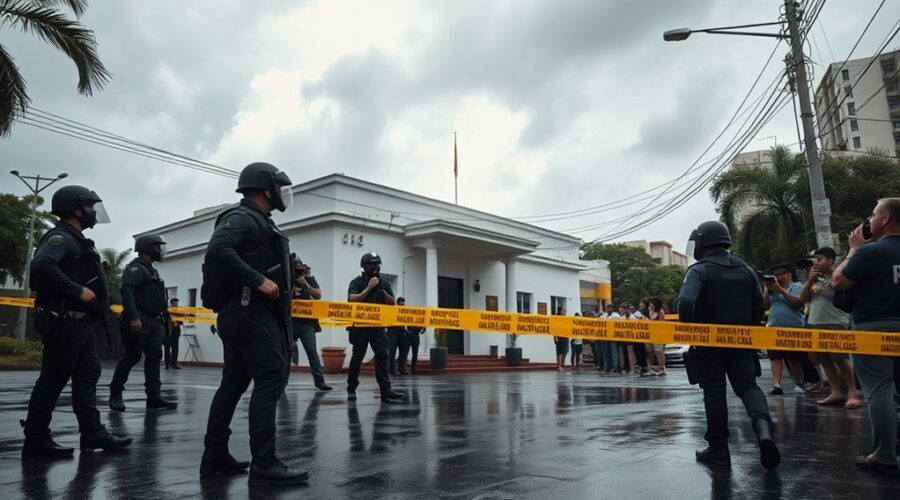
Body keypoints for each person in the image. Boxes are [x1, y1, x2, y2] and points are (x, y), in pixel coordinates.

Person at [200, 162, 308, 486]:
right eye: (279, 187)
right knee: (269, 381)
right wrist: (257, 279)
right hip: (252, 315)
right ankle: (264, 464)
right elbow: (218, 248)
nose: (283, 194)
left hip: (245, 315)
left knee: (233, 384)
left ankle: (214, 456)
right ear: (266, 188)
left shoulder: (259, 221)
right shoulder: (244, 217)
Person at [21, 185, 132, 458]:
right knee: (53, 379)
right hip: (66, 321)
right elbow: (41, 266)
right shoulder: (61, 238)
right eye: (91, 207)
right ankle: (36, 438)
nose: (94, 213)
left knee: (87, 377)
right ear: (76, 208)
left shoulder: (76, 239)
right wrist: (78, 290)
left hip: (79, 324)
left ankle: (92, 433)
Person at [678, 220, 780, 470]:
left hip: (710, 344)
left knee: (714, 391)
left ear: (702, 242)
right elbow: (760, 306)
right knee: (748, 387)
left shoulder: (699, 270)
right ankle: (763, 430)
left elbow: (685, 303)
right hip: (742, 341)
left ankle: (719, 449)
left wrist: (692, 330)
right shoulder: (746, 269)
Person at [833, 198, 900, 476]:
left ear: (885, 219)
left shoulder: (871, 251)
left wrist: (852, 250)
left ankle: (885, 455)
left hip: (874, 329)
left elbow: (839, 281)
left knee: (880, 391)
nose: (869, 220)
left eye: (873, 214)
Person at [109, 234, 178, 412]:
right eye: (157, 246)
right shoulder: (136, 269)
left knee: (155, 357)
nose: (160, 250)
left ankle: (153, 397)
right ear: (148, 248)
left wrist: (164, 320)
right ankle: (115, 393)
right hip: (139, 318)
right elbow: (127, 292)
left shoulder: (151, 270)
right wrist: (133, 317)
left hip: (154, 321)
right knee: (132, 356)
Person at [798, 247, 863, 409]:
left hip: (835, 321)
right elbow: (803, 299)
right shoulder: (814, 277)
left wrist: (830, 272)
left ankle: (853, 391)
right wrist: (811, 280)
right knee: (823, 359)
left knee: (840, 357)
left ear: (830, 260)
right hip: (815, 322)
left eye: (819, 259)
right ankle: (835, 391)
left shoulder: (839, 275)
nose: (815, 263)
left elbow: (842, 291)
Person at [346, 252, 405, 403]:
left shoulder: (383, 282)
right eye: (372, 264)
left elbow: (392, 303)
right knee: (357, 357)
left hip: (377, 327)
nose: (375, 267)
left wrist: (384, 292)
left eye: (377, 264)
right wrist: (368, 288)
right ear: (364, 266)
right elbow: (351, 299)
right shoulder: (357, 282)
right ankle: (351, 388)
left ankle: (385, 390)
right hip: (360, 327)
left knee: (382, 355)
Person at [763, 263, 806, 395]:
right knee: (775, 357)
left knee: (793, 358)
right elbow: (764, 306)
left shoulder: (797, 287)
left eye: (781, 275)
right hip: (773, 326)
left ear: (789, 275)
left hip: (793, 326)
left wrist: (780, 290)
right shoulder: (772, 289)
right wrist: (767, 289)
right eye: (776, 276)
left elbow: (797, 303)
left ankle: (799, 384)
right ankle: (777, 384)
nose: (779, 278)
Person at [290, 256, 332, 391]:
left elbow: (318, 295)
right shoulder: (286, 278)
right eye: (295, 267)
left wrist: (305, 283)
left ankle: (320, 381)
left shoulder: (309, 279)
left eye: (300, 267)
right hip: (290, 322)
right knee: (286, 352)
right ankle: (281, 381)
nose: (298, 269)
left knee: (312, 351)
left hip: (307, 323)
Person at [388, 297, 410, 375]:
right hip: (392, 332)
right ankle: (392, 369)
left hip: (402, 332)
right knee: (392, 351)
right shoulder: (392, 310)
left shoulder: (404, 311)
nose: (402, 304)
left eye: (403, 303)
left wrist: (406, 330)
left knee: (404, 351)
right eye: (401, 302)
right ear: (397, 303)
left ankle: (401, 368)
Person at [647, 297, 667, 376]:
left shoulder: (660, 312)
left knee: (659, 351)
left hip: (658, 334)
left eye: (652, 305)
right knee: (649, 350)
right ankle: (651, 367)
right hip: (649, 334)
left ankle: (662, 368)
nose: (651, 306)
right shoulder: (649, 311)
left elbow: (661, 324)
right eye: (650, 305)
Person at [598, 304, 620, 373]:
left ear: (612, 309)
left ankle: (615, 365)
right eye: (608, 308)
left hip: (613, 336)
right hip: (604, 336)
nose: (609, 309)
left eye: (610, 308)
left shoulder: (616, 316)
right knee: (605, 351)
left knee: (613, 351)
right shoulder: (604, 316)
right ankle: (607, 365)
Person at [165, 297, 182, 369]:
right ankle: (167, 364)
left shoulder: (178, 311)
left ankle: (174, 364)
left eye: (177, 302)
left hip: (176, 330)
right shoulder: (167, 310)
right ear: (171, 302)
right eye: (175, 302)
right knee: (167, 347)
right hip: (168, 330)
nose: (176, 303)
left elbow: (181, 322)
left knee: (175, 348)